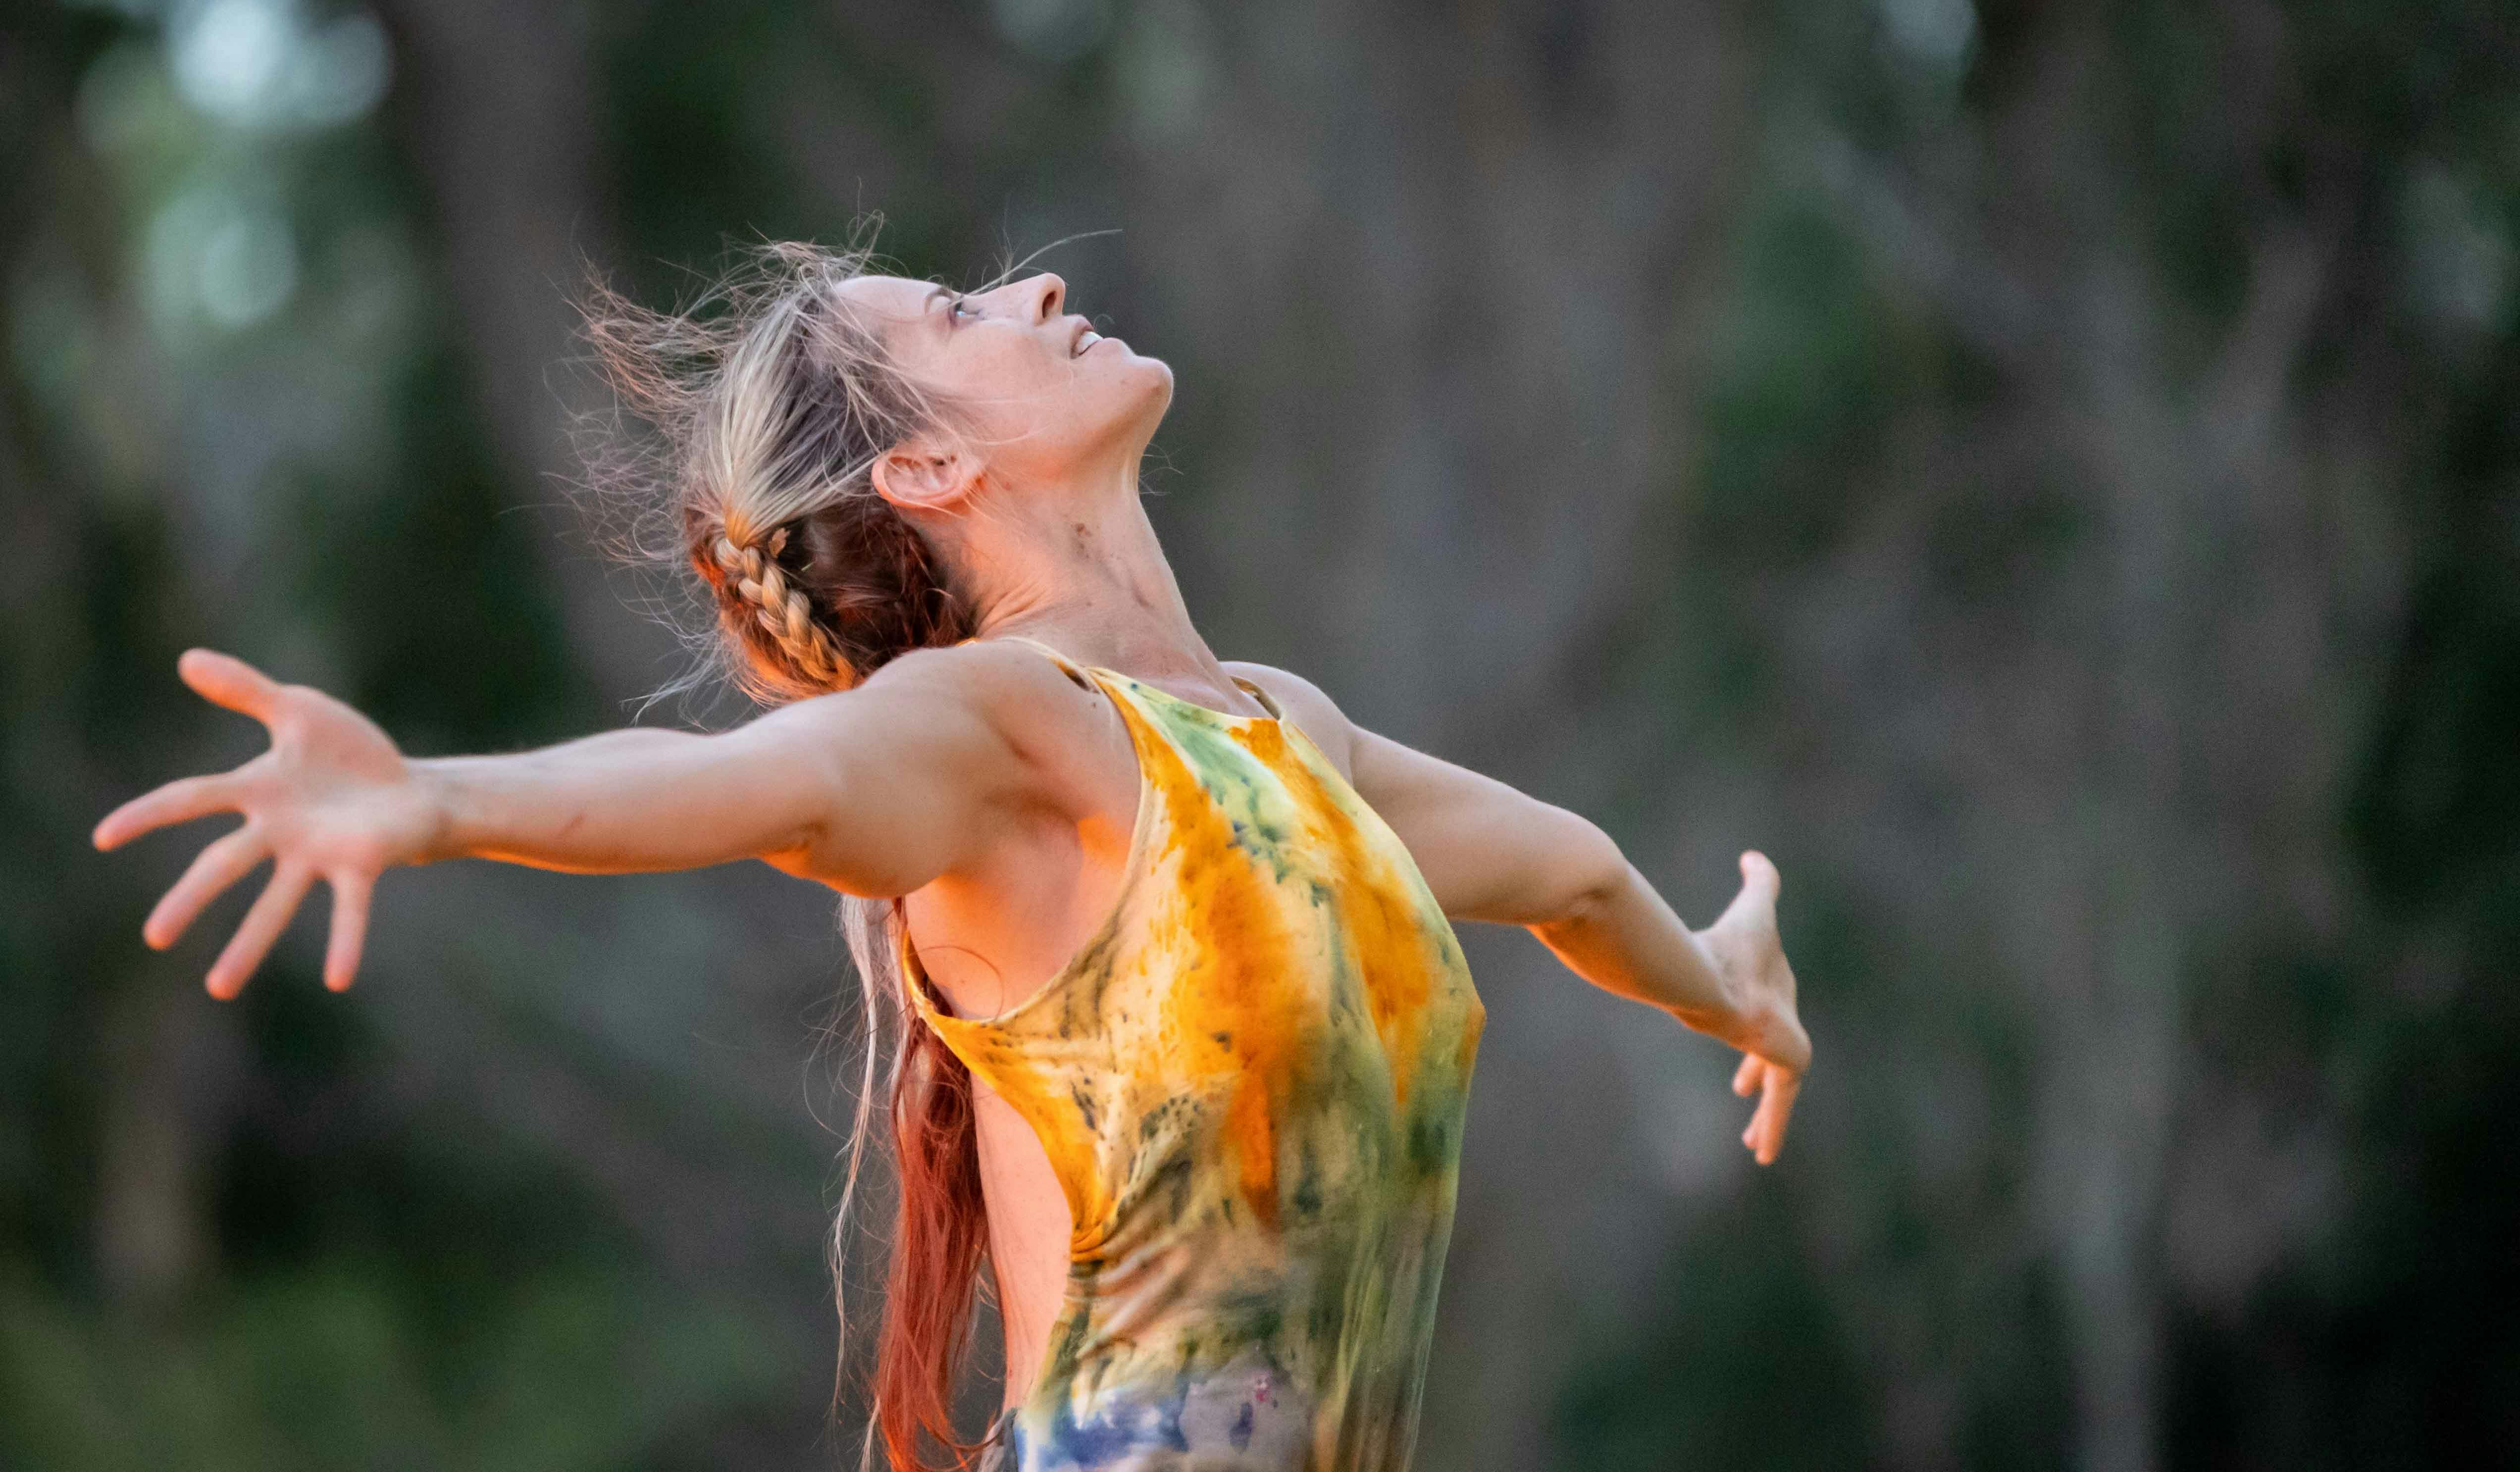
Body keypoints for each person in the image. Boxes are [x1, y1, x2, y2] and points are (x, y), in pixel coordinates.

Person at [93, 240, 1810, 1472]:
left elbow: (1574, 877)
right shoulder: (1000, 725)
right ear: (924, 463)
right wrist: (440, 799)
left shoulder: (1290, 731)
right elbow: (750, 779)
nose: (1041, 292)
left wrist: (1721, 985)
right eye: (964, 314)